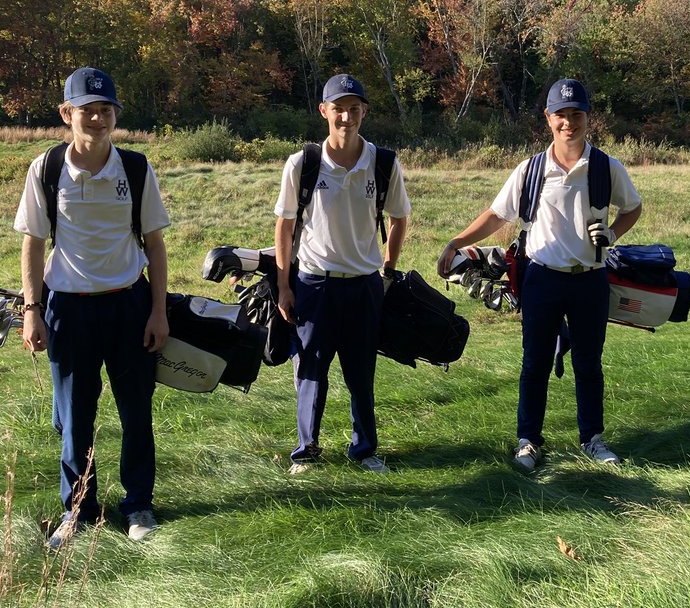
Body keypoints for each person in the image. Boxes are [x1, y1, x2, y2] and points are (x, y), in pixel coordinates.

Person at [436, 78, 642, 470]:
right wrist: (457, 242)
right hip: (542, 278)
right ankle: (528, 442)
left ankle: (593, 440)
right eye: (561, 115)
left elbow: (633, 207)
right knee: (535, 364)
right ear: (548, 118)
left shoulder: (605, 167)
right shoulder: (530, 170)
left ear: (588, 117)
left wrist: (613, 233)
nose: (569, 123)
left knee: (588, 364)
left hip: (590, 279)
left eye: (576, 114)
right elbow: (497, 215)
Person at [16, 67, 171, 550]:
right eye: (88, 110)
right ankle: (78, 511)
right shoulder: (46, 169)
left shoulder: (136, 168)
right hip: (69, 309)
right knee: (74, 416)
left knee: (135, 412)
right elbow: (33, 244)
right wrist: (32, 309)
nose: (98, 119)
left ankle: (138, 505)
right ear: (67, 114)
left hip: (129, 305)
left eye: (106, 110)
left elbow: (155, 244)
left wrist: (159, 311)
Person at [274, 74, 411, 474]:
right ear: (324, 111)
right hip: (314, 283)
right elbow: (285, 225)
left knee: (361, 372)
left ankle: (364, 450)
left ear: (364, 111)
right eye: (338, 109)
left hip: (365, 285)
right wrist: (283, 285)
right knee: (311, 370)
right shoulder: (303, 163)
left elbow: (400, 218)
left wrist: (388, 268)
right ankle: (306, 450)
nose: (346, 117)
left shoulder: (382, 163)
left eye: (354, 109)